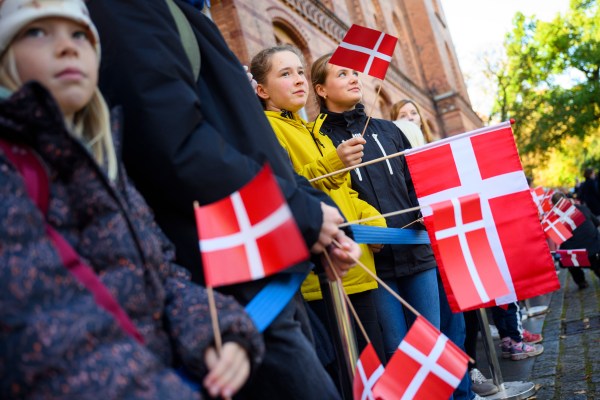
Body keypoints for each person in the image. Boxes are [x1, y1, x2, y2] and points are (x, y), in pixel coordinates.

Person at [88, 2, 360, 399]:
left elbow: (250, 145)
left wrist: (317, 215)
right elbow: (173, 145)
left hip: (264, 267)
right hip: (228, 290)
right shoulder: (131, 8)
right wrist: (297, 211)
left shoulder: (184, 12)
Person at [0, 0, 263, 398]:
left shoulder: (103, 159)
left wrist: (217, 328)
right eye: (36, 32)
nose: (68, 47)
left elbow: (158, 274)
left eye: (79, 35)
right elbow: (43, 329)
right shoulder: (10, 168)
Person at [250, 44, 387, 362]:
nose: (299, 79)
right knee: (348, 376)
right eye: (285, 74)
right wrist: (333, 164)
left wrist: (374, 222)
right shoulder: (266, 130)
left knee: (374, 369)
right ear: (261, 90)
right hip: (323, 278)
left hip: (361, 268)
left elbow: (347, 195)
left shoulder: (319, 134)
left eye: (300, 71)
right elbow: (288, 192)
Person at [310, 52, 440, 360]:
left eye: (354, 72)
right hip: (372, 262)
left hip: (416, 251)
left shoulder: (389, 129)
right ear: (321, 90)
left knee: (432, 344)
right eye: (341, 74)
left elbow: (416, 181)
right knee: (397, 350)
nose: (353, 77)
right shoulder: (319, 138)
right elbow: (329, 195)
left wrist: (422, 213)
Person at [552, 191, 600, 289]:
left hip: (575, 255)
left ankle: (581, 281)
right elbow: (596, 223)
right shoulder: (582, 208)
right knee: (595, 261)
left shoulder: (555, 220)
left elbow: (557, 240)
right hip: (594, 247)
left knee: (566, 254)